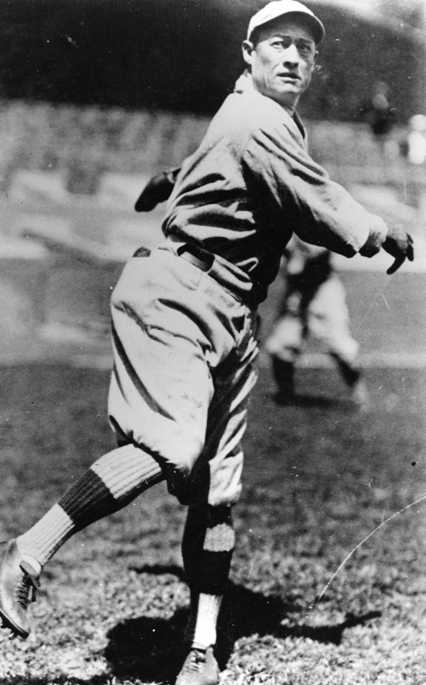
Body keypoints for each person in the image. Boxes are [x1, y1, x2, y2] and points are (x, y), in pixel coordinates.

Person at [0, 2, 413, 684]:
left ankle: (202, 643)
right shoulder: (257, 119)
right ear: (248, 56)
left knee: (216, 489)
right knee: (174, 448)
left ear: (314, 66)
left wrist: (176, 179)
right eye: (277, 44)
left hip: (233, 315)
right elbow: (315, 201)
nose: (290, 57)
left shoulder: (267, 121)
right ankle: (26, 551)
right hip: (180, 295)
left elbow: (249, 182)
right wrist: (379, 229)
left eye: (304, 50)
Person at [265, 236, 369, 406]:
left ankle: (359, 392)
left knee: (341, 347)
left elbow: (315, 252)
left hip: (322, 289)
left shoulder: (313, 217)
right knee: (281, 344)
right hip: (297, 290)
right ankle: (285, 394)